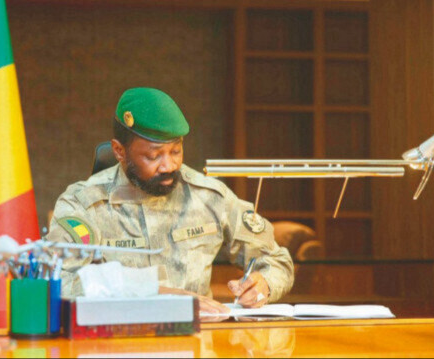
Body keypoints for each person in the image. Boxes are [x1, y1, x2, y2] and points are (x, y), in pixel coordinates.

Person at [46, 87, 294, 315]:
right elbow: (57, 282)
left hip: (198, 342)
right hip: (119, 342)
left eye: (176, 151)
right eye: (154, 156)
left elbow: (276, 261)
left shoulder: (209, 197)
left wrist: (264, 284)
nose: (169, 165)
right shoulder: (83, 204)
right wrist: (156, 293)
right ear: (119, 151)